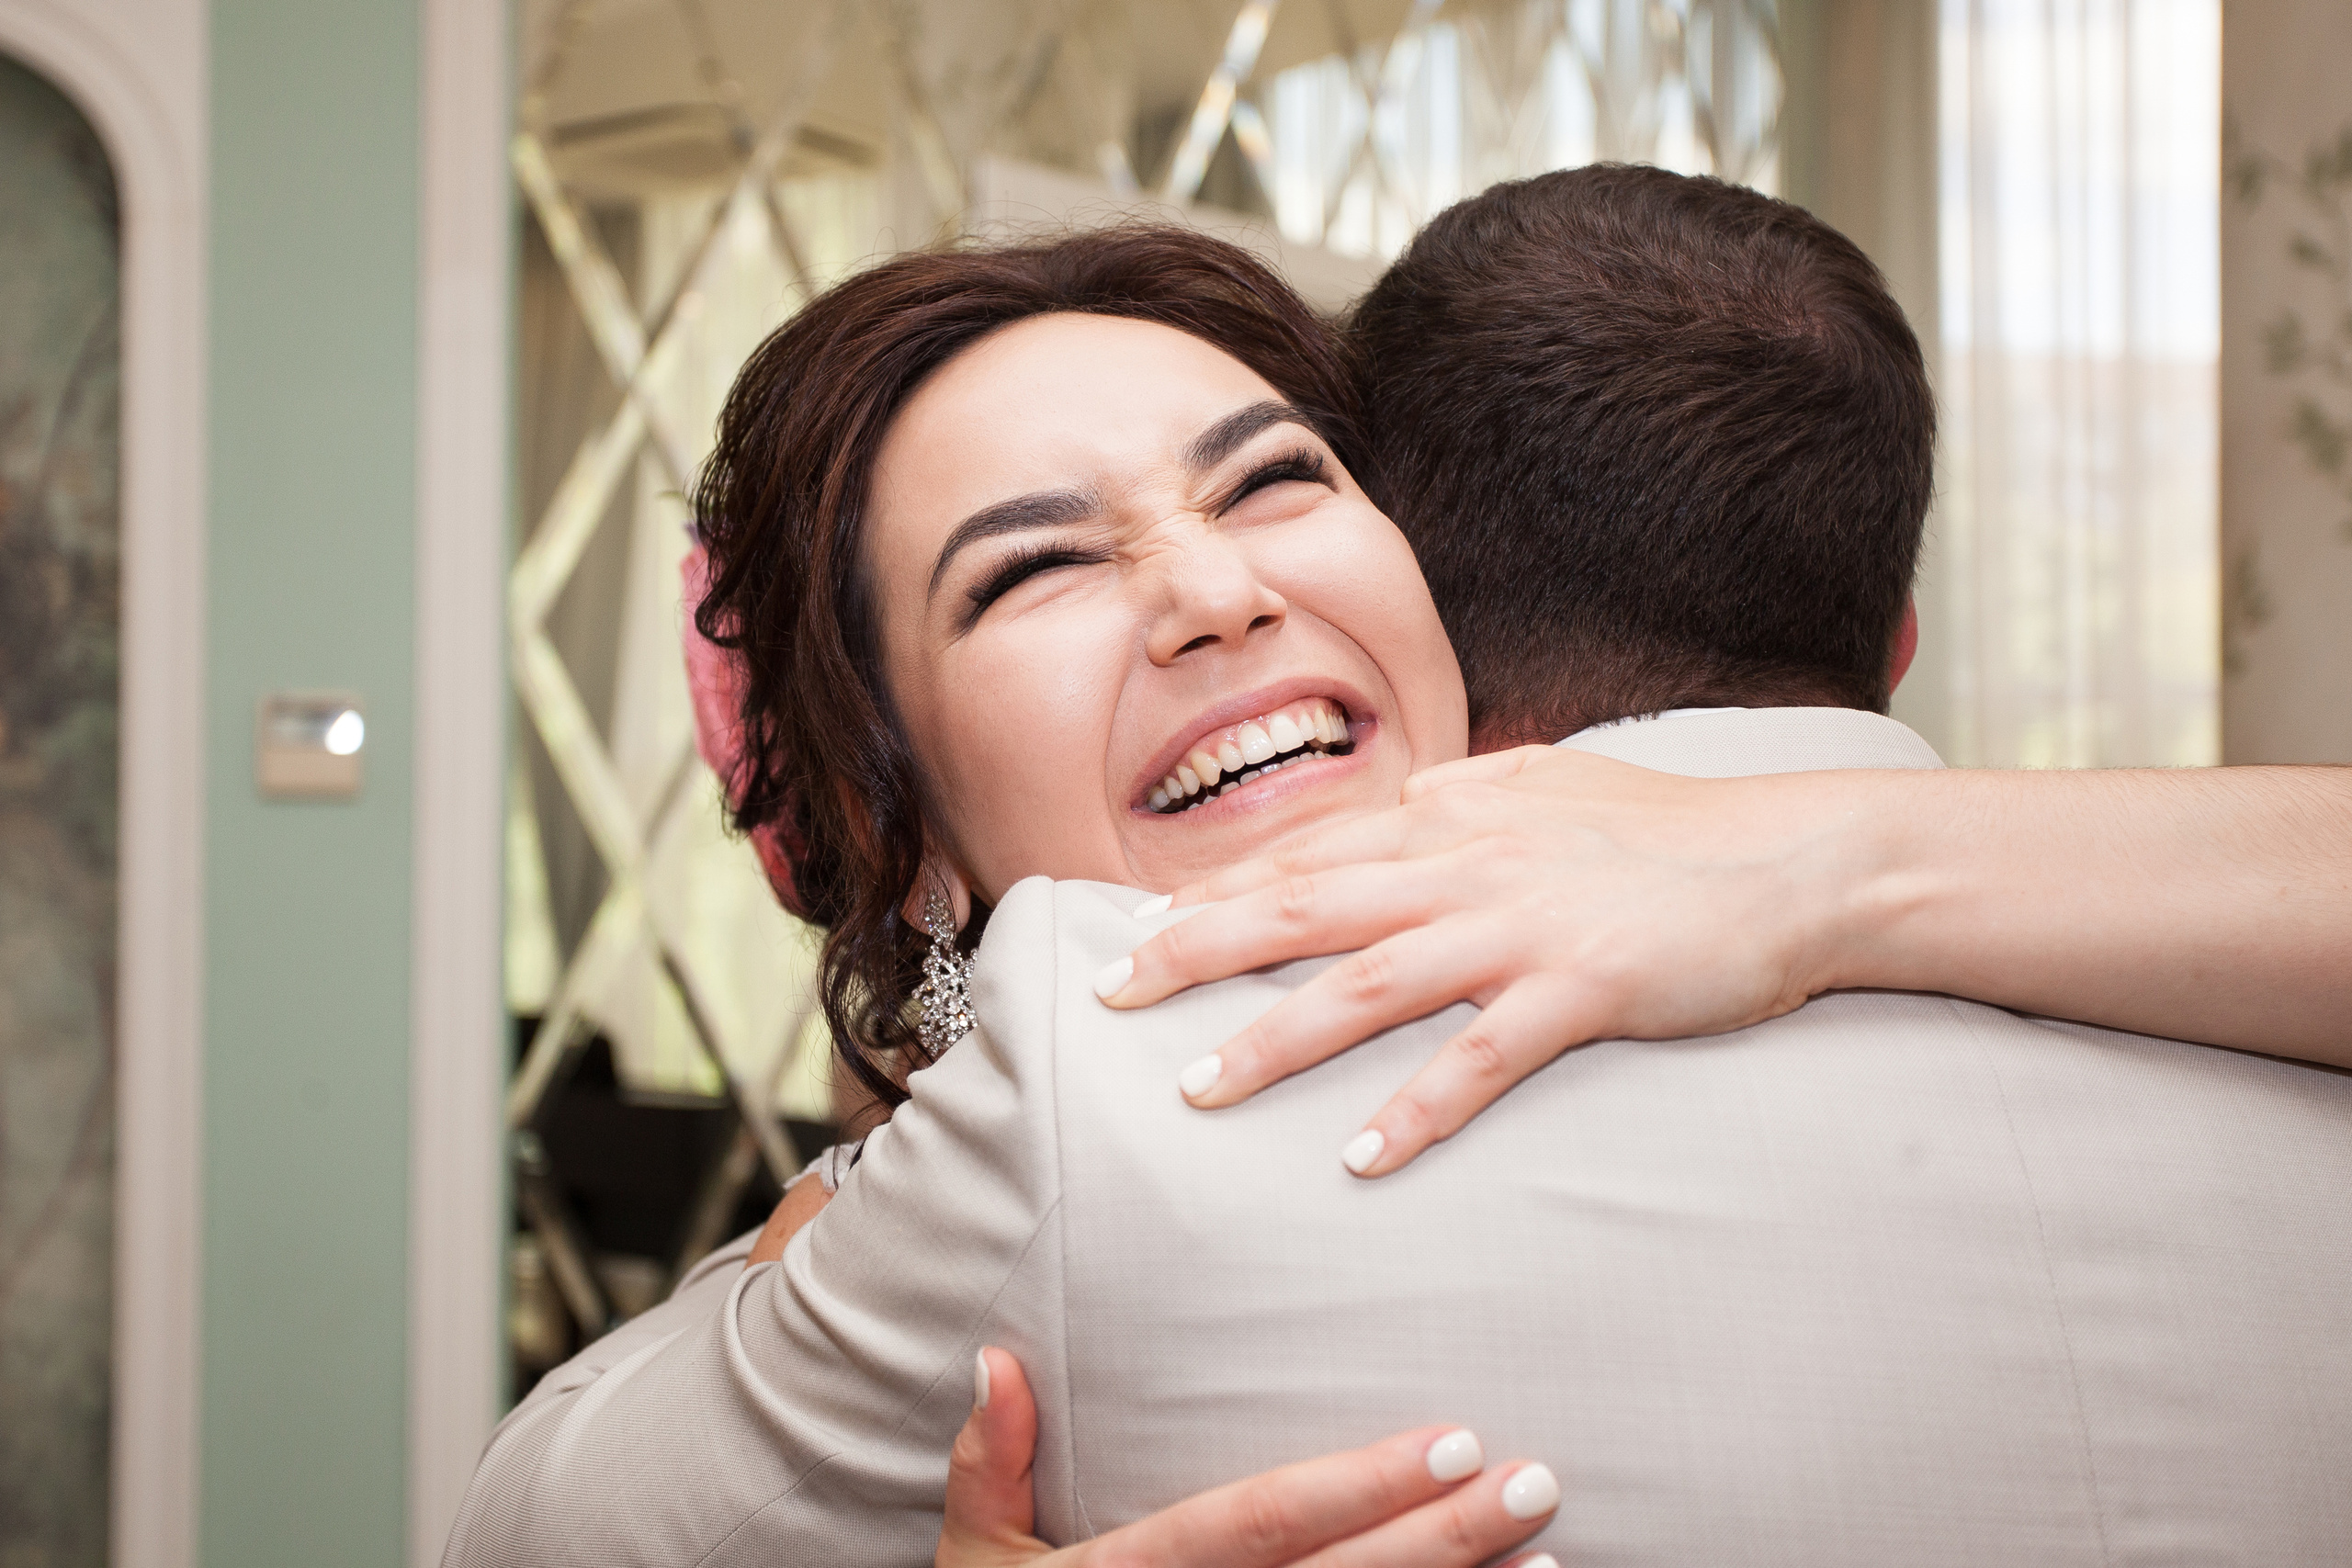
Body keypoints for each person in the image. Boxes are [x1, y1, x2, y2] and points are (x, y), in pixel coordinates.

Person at [448, 186, 2352, 1565]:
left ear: (1424, 574)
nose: (1213, 591)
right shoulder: (2242, 983)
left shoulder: (1081, 1102)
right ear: (897, 818)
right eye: (1028, 568)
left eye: (1273, 476)